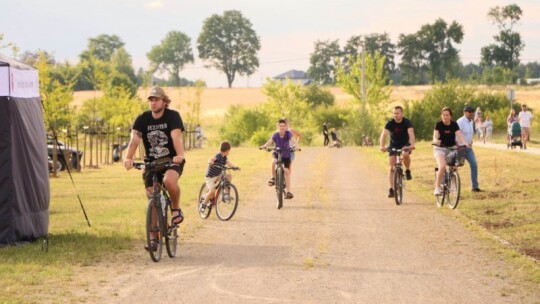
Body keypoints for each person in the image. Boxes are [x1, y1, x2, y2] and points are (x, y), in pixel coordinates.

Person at [123, 86, 186, 251]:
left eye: (156, 100)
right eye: (151, 100)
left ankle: (176, 209)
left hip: (171, 160)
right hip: (152, 163)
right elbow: (135, 139)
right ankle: (153, 238)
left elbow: (176, 135)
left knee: (169, 181)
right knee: (151, 196)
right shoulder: (142, 119)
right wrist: (128, 157)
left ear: (164, 101)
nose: (153, 103)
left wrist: (179, 155)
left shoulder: (173, 116)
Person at [379, 106, 416, 198]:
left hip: (404, 144)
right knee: (391, 167)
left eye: (397, 113)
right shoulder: (390, 123)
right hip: (393, 145)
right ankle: (391, 189)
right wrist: (382, 146)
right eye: (394, 113)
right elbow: (383, 135)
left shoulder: (407, 122)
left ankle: (407, 170)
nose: (395, 115)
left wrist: (412, 145)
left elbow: (411, 134)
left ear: (402, 114)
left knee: (405, 154)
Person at [260, 118, 300, 199]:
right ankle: (273, 178)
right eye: (280, 126)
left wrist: (297, 146)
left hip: (286, 155)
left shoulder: (288, 133)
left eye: (284, 126)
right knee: (274, 162)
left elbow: (294, 140)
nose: (282, 127)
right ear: (277, 127)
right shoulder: (275, 134)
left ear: (286, 127)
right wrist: (264, 146)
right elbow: (270, 141)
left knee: (287, 172)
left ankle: (288, 192)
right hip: (277, 153)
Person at [433, 107, 469, 196]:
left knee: (455, 166)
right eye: (443, 115)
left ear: (450, 116)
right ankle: (437, 188)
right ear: (441, 116)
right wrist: (436, 140)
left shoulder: (454, 124)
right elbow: (435, 136)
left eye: (447, 115)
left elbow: (459, 135)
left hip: (451, 148)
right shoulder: (438, 124)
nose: (445, 117)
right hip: (440, 148)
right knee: (442, 166)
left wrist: (465, 143)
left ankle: (453, 184)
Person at [199, 141, 239, 212]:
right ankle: (203, 204)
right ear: (227, 150)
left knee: (228, 176)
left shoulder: (225, 158)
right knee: (212, 191)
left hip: (218, 175)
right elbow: (211, 159)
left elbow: (229, 164)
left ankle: (226, 194)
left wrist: (234, 167)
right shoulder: (218, 155)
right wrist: (211, 162)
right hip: (210, 177)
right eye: (229, 150)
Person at [457, 106, 482, 192]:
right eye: (469, 112)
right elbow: (455, 134)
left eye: (472, 112)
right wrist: (457, 145)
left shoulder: (471, 122)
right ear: (465, 112)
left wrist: (470, 141)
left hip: (468, 148)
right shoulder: (460, 122)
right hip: (459, 148)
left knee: (474, 164)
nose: (471, 113)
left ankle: (475, 187)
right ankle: (452, 185)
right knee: (455, 166)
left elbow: (469, 133)